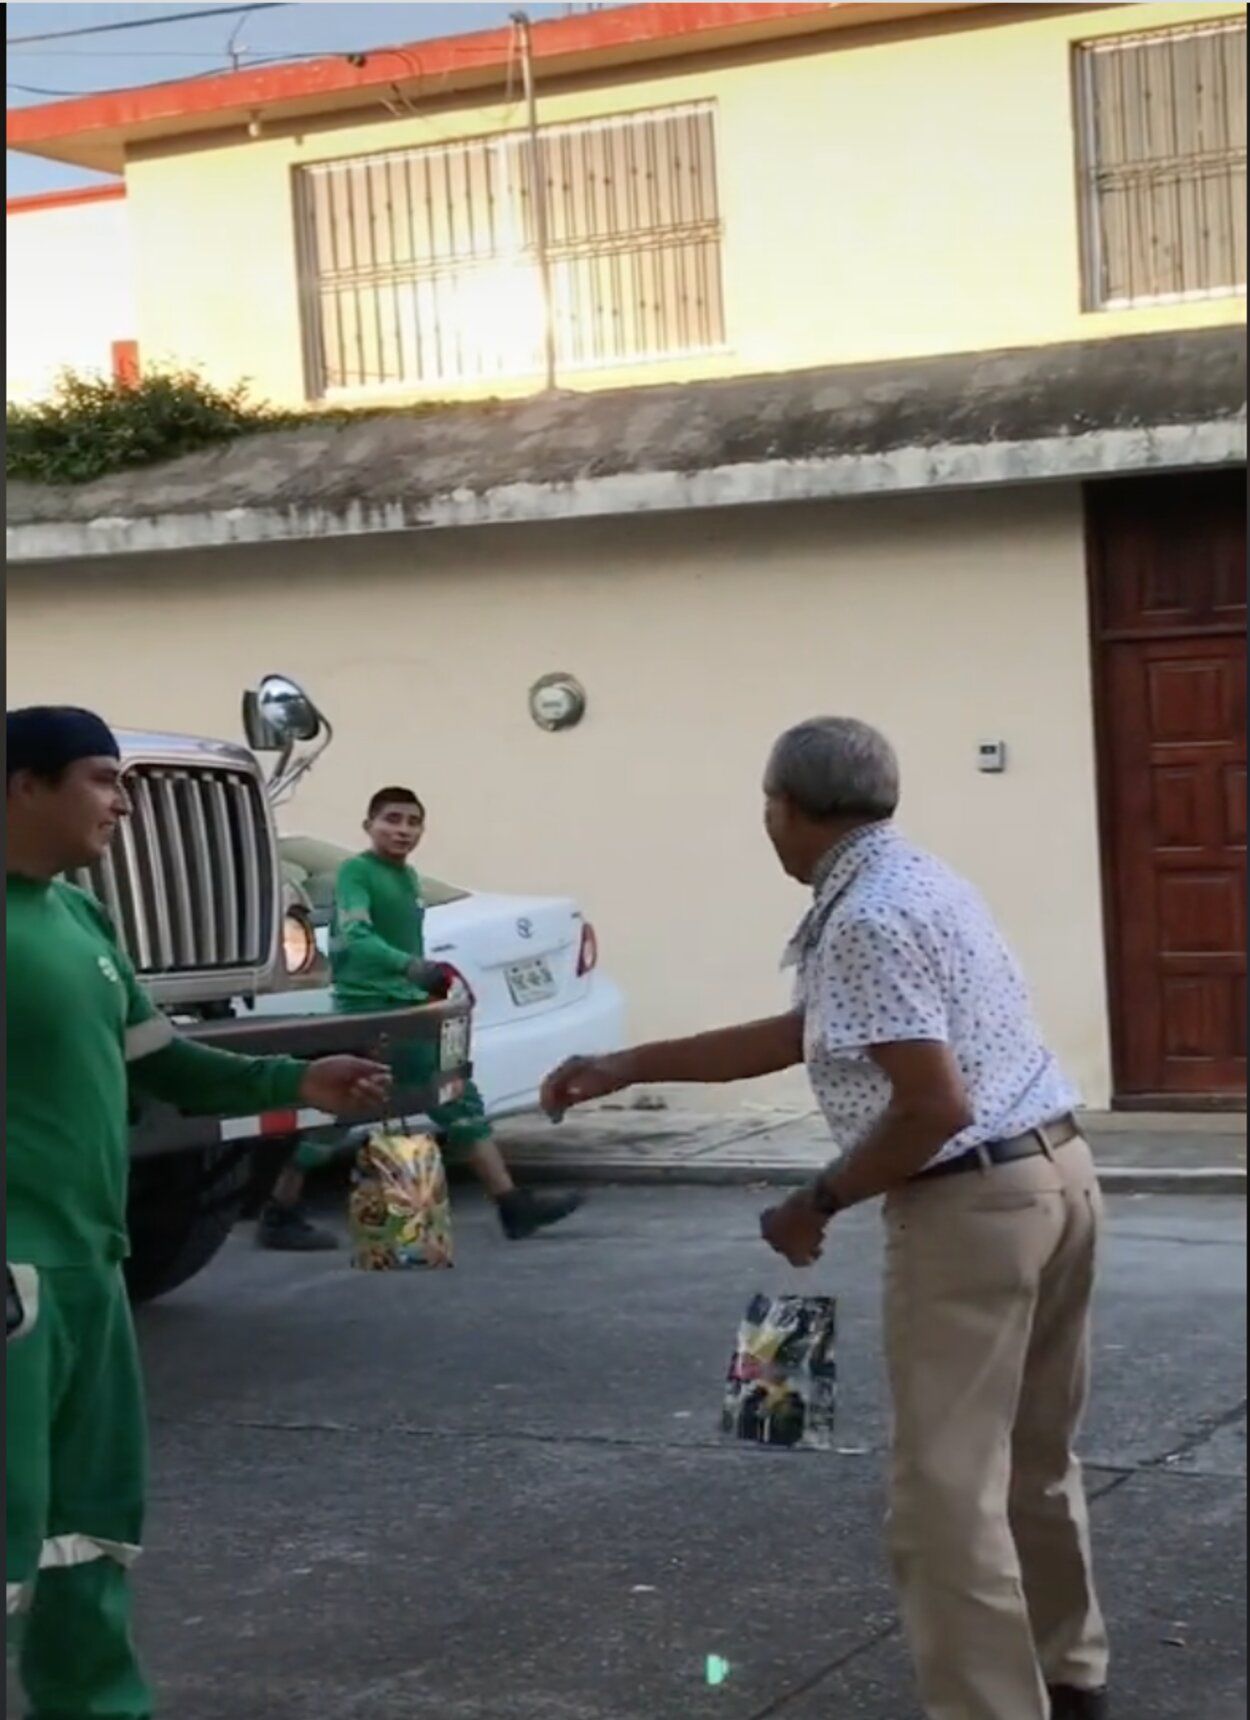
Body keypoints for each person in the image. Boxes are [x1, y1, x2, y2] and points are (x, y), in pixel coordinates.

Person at [542, 717, 1109, 1720]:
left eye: (765, 807)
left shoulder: (864, 916)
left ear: (785, 809)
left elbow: (932, 1105)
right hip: (1058, 1173)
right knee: (1032, 1460)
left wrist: (817, 1200)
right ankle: (1068, 1676)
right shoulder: (921, 880)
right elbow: (809, 1031)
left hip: (971, 1202)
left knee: (942, 1494)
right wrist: (627, 1065)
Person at [5, 705, 393, 1720]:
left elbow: (164, 1064)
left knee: (85, 1529)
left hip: (92, 1270)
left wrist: (299, 1080)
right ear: (22, 786)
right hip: (14, 1276)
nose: (122, 800)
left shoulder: (80, 920)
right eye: (99, 778)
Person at [260, 784, 582, 1248]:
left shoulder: (408, 879)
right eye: (392, 820)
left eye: (413, 822)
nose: (403, 830)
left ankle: (280, 1209)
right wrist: (408, 967)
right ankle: (510, 1204)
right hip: (375, 1007)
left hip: (405, 1004)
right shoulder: (355, 873)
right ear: (368, 826)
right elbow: (354, 936)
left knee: (360, 1106)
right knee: (445, 1096)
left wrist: (424, 980)